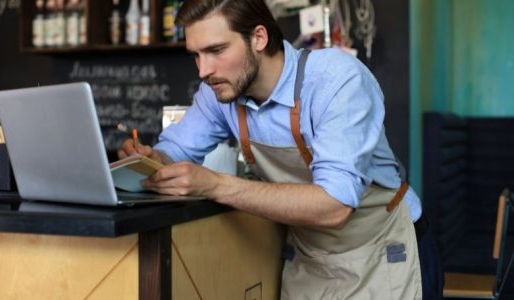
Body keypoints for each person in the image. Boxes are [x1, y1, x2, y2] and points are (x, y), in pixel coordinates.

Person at [118, 0, 443, 298]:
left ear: (258, 38)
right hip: (309, 260)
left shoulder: (335, 79)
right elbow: (174, 150)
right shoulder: (219, 93)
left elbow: (336, 206)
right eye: (196, 55)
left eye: (216, 50)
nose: (204, 70)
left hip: (384, 254)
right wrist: (149, 159)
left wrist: (215, 184)